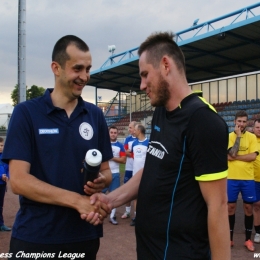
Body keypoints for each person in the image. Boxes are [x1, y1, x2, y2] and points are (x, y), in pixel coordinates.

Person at [89, 31, 230, 260]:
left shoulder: (203, 121)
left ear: (165, 65)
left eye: (145, 75)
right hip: (149, 250)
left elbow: (219, 205)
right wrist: (110, 199)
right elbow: (152, 170)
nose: (142, 85)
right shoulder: (160, 113)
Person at [2, 35, 112, 260]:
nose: (84, 77)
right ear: (56, 68)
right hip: (36, 237)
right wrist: (77, 201)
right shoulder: (27, 113)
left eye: (88, 69)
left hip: (84, 235)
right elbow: (19, 181)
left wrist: (102, 180)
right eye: (77, 68)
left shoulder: (95, 116)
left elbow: (107, 172)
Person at [227, 110, 258, 252]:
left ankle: (247, 240)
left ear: (247, 122)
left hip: (247, 179)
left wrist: (236, 158)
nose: (241, 124)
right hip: (231, 178)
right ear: (234, 122)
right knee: (230, 208)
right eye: (239, 121)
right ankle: (230, 239)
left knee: (248, 208)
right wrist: (238, 137)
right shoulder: (228, 137)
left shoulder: (252, 137)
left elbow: (252, 156)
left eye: (244, 121)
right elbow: (230, 154)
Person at [106, 125, 126, 225]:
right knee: (100, 193)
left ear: (117, 134)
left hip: (115, 173)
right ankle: (99, 214)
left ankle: (112, 216)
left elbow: (123, 160)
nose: (113, 134)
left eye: (115, 133)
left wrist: (111, 157)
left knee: (114, 196)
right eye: (111, 132)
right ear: (108, 133)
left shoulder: (120, 146)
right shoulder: (103, 144)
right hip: (104, 173)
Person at [129, 124, 148, 226]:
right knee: (136, 196)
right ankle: (136, 216)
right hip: (135, 174)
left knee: (146, 195)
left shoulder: (148, 143)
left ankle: (145, 216)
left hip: (145, 174)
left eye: (135, 130)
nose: (133, 132)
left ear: (139, 131)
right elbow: (133, 157)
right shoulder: (134, 144)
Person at [121, 121, 137, 219]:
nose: (128, 129)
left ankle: (136, 213)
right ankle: (127, 212)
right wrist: (135, 154)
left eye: (130, 127)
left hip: (138, 168)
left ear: (135, 128)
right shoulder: (128, 139)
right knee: (127, 189)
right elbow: (124, 152)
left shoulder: (141, 139)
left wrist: (130, 153)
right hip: (129, 168)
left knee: (137, 191)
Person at [0, 137, 11, 231]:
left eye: (2, 145)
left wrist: (7, 176)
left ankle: (1, 224)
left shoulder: (4, 157)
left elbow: (8, 169)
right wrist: (0, 176)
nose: (1, 147)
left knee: (0, 205)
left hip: (2, 185)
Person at [253, 118, 260, 243]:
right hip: (253, 179)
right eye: (258, 127)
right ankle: (258, 232)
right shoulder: (251, 140)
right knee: (257, 205)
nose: (259, 129)